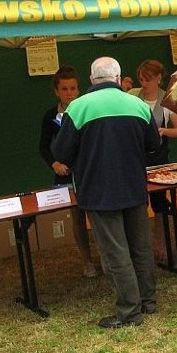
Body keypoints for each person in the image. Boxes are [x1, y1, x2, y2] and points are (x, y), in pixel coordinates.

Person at [54, 57, 160, 328]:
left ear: (91, 80)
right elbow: (153, 144)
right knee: (140, 246)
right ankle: (148, 302)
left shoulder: (78, 108)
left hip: (98, 191)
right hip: (135, 186)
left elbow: (62, 153)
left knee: (115, 252)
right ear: (118, 77)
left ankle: (129, 311)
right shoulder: (138, 104)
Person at [38, 65, 98, 278]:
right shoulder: (50, 116)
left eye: (73, 88)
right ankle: (87, 261)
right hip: (65, 175)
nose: (69, 93)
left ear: (79, 90)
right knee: (77, 216)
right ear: (56, 91)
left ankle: (107, 256)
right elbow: (44, 146)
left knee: (98, 214)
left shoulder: (86, 110)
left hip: (89, 172)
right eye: (64, 89)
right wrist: (54, 163)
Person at [128, 60, 177, 262]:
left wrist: (163, 131)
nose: (144, 84)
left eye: (148, 79)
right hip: (135, 159)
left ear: (159, 78)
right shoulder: (133, 96)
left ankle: (162, 244)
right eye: (141, 79)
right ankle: (141, 247)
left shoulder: (167, 100)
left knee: (160, 204)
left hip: (159, 161)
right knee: (138, 204)